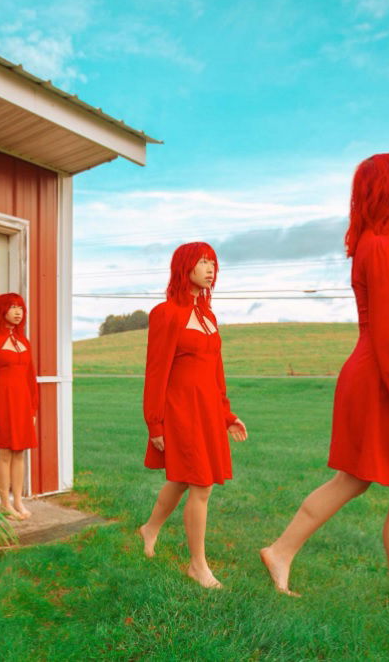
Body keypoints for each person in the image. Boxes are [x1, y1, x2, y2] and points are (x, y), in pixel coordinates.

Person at [260, 153, 389, 621]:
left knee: (355, 479)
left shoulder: (380, 244)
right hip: (384, 379)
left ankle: (280, 551)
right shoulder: (381, 249)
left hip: (379, 375)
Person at [139, 242, 248, 588]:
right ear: (184, 266)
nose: (210, 268)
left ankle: (150, 528)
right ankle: (198, 565)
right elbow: (156, 373)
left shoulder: (209, 317)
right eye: (202, 262)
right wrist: (155, 422)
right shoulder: (166, 313)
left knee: (184, 478)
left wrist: (227, 416)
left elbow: (217, 374)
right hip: (179, 411)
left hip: (207, 412)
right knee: (201, 484)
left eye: (213, 262)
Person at [0, 292, 38, 520]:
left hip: (22, 404)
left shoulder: (23, 341)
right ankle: (4, 503)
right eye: (12, 307)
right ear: (1, 310)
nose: (17, 312)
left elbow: (31, 378)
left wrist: (33, 408)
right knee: (4, 453)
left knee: (20, 453)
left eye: (20, 308)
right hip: (1, 404)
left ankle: (18, 501)